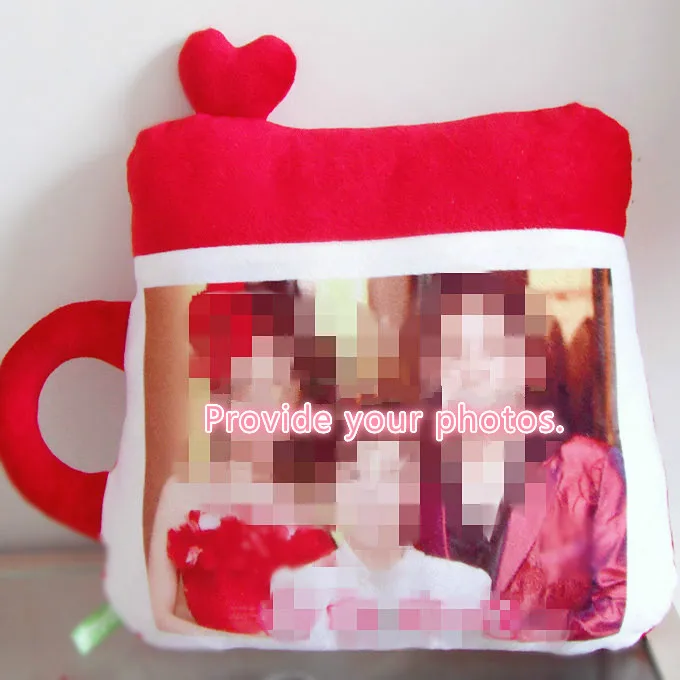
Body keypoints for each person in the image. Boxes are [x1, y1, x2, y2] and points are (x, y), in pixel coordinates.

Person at [414, 272, 627, 642]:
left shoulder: (589, 471)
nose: (470, 369)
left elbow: (624, 605)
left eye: (489, 349)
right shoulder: (421, 481)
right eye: (453, 352)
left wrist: (525, 637)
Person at [146, 285, 337, 636]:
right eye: (246, 393)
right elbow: (159, 616)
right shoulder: (183, 492)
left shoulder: (312, 501)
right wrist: (233, 649)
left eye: (279, 395)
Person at [266, 403, 492, 650]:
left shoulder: (464, 589)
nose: (372, 492)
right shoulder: (297, 592)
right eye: (356, 476)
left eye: (390, 474)